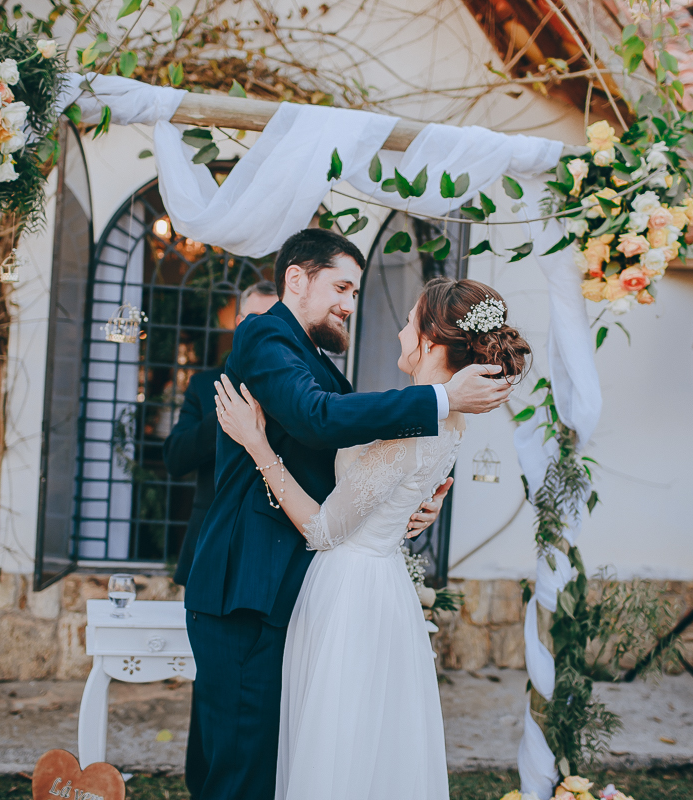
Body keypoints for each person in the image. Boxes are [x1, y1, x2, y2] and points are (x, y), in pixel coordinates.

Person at [183, 228, 514, 800]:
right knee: (238, 764)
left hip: (302, 581)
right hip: (248, 584)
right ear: (296, 278)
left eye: (355, 292)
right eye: (342, 286)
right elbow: (319, 420)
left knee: (263, 759)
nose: (351, 305)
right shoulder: (265, 336)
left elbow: (352, 446)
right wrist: (440, 401)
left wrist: (416, 499)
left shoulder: (308, 354)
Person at [165, 280, 279, 588]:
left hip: (270, 548)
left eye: (275, 319)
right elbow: (175, 459)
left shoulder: (298, 388)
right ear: (240, 323)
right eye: (255, 318)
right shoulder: (204, 387)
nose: (264, 328)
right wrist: (228, 408)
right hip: (209, 543)